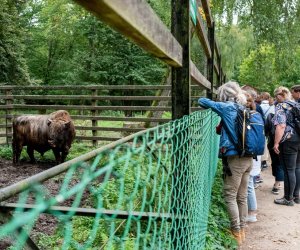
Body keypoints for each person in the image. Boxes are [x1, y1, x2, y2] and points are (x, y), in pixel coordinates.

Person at [199, 81, 252, 245]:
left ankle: (235, 231)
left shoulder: (227, 107)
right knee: (241, 196)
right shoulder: (243, 109)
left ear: (225, 96)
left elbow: (202, 101)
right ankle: (242, 230)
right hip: (248, 158)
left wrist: (217, 102)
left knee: (230, 196)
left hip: (235, 159)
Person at [273, 86, 300, 206]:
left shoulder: (281, 106)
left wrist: (276, 143)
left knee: (289, 169)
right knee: (297, 168)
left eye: (275, 96)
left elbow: (281, 126)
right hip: (299, 138)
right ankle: (296, 196)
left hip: (289, 139)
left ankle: (288, 199)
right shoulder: (296, 104)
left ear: (280, 95)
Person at [265, 111, 284, 194]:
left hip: (274, 142)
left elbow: (266, 129)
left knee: (277, 163)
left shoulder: (271, 115)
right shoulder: (291, 112)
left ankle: (277, 184)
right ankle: (278, 182)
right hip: (287, 142)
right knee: (279, 163)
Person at [260, 92, 275, 170]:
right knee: (267, 142)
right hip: (270, 126)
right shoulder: (272, 107)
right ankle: (265, 161)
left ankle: (261, 161)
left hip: (261, 126)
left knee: (262, 142)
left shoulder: (260, 106)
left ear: (262, 97)